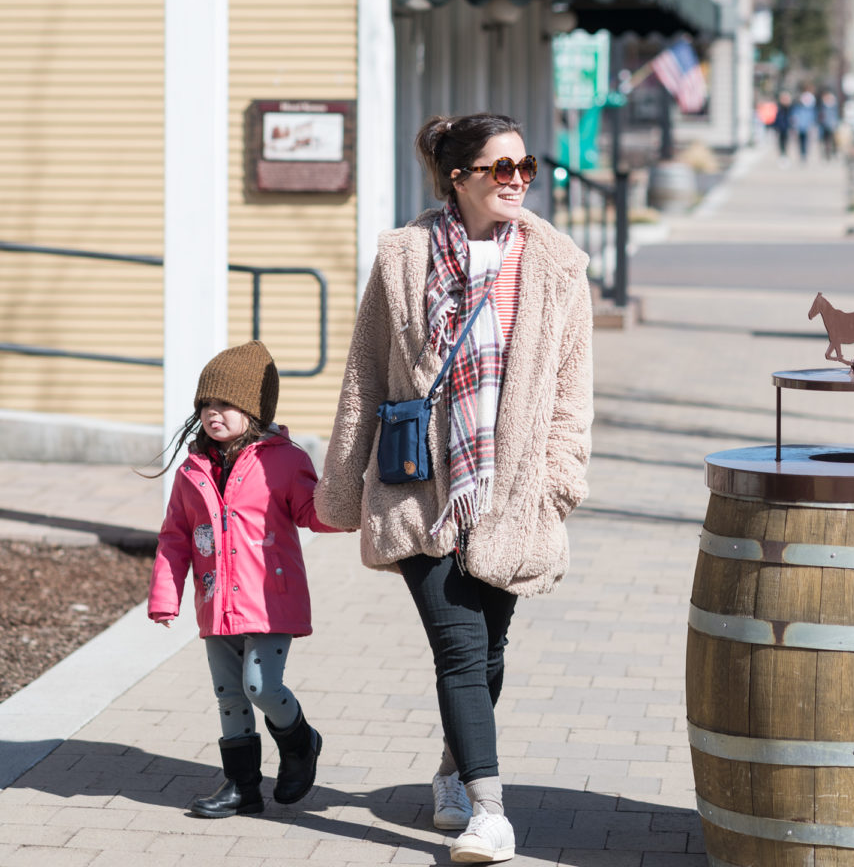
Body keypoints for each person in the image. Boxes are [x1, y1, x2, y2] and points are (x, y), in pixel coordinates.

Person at [316, 113, 593, 865]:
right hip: (419, 488)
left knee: (490, 646)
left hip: (513, 493)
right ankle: (490, 813)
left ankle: (451, 770)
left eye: (525, 167)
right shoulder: (404, 260)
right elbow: (363, 374)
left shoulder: (558, 264)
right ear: (458, 177)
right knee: (461, 650)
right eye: (501, 168)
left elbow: (572, 392)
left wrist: (559, 483)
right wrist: (340, 487)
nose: (517, 181)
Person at [148, 340, 337, 818]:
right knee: (229, 695)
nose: (214, 413)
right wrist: (164, 597)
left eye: (226, 404)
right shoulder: (193, 470)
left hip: (270, 600)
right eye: (206, 404)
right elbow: (176, 537)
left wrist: (348, 500)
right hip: (216, 602)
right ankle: (242, 787)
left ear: (252, 410)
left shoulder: (285, 460)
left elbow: (314, 513)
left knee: (260, 686)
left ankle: (300, 743)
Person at [791, 89, 818, 161]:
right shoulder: (797, 108)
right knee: (800, 141)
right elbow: (795, 116)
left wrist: (811, 125)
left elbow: (812, 117)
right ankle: (802, 153)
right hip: (800, 127)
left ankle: (805, 153)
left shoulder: (810, 108)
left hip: (807, 127)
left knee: (806, 141)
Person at [818, 90, 839, 160]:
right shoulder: (823, 106)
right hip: (825, 125)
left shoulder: (834, 105)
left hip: (832, 124)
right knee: (826, 140)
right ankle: (827, 154)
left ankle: (834, 151)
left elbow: (836, 115)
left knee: (833, 139)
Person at [774, 91, 793, 161]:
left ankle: (785, 154)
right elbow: (777, 118)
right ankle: (782, 154)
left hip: (787, 127)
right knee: (781, 141)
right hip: (780, 127)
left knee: (787, 141)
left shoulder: (790, 108)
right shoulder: (779, 107)